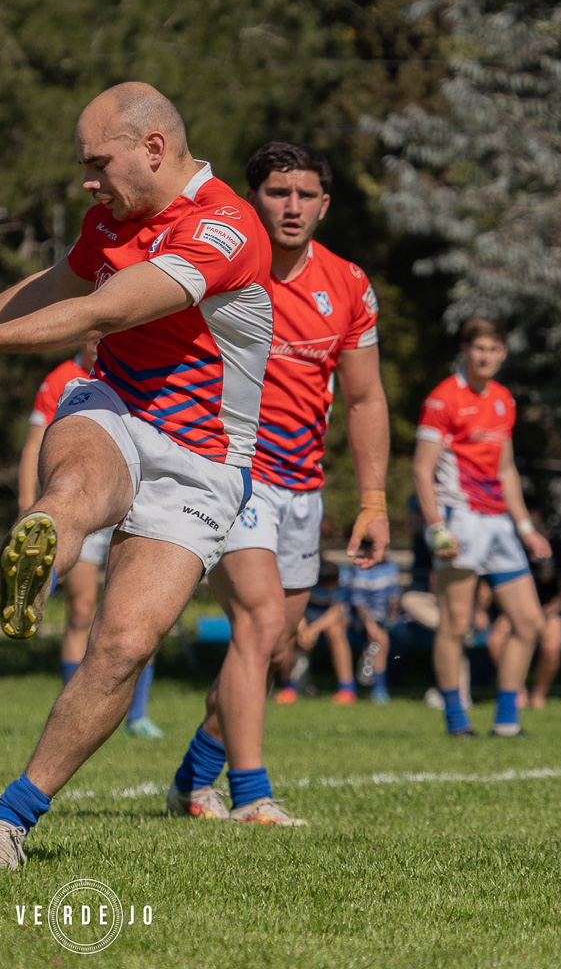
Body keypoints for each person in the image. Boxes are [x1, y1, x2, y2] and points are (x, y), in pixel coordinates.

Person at [0, 82, 273, 869]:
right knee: (75, 491)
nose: (87, 182)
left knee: (123, 645)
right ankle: (44, 548)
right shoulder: (111, 221)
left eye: (98, 164)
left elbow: (106, 310)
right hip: (115, 409)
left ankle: (10, 819)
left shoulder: (226, 228)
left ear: (153, 148)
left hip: (202, 464)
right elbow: (57, 284)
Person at [165, 139, 390, 824]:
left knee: (273, 652)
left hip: (303, 487)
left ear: (324, 204)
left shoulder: (349, 285)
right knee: (259, 626)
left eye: (304, 195)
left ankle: (192, 779)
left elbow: (364, 400)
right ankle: (253, 795)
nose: (290, 207)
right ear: (252, 195)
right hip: (231, 473)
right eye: (276, 192)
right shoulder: (222, 265)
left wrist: (374, 501)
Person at [414, 318, 552, 738]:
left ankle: (507, 720)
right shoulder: (443, 399)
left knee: (529, 622)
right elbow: (422, 470)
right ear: (465, 350)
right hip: (461, 520)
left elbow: (506, 469)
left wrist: (526, 526)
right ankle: (456, 719)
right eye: (479, 348)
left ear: (503, 353)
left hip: (499, 524)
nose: (485, 356)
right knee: (456, 624)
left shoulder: (503, 399)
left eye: (493, 349)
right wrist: (436, 527)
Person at [24, 345, 161, 738]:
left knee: (138, 614)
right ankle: (37, 583)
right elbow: (35, 443)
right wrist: (28, 499)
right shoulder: (60, 378)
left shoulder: (147, 361)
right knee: (82, 610)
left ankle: (136, 715)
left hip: (135, 496)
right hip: (83, 496)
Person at [487, 520, 561, 708]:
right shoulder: (507, 546)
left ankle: (538, 697)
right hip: (515, 612)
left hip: (547, 612)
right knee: (496, 639)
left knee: (551, 643)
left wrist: (547, 611)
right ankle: (515, 691)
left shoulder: (558, 548)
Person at [288, 562, 355, 703]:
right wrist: (302, 628)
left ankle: (347, 689)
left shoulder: (344, 579)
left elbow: (336, 612)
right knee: (290, 634)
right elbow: (295, 606)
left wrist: (313, 629)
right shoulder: (304, 579)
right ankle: (288, 688)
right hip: (304, 616)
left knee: (336, 632)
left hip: (330, 619)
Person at [346, 556, 401, 704]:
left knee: (383, 635)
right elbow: (358, 602)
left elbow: (394, 595)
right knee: (380, 638)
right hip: (362, 620)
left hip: (386, 619)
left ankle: (376, 682)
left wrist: (393, 613)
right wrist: (370, 624)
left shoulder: (391, 566)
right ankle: (379, 688)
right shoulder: (360, 568)